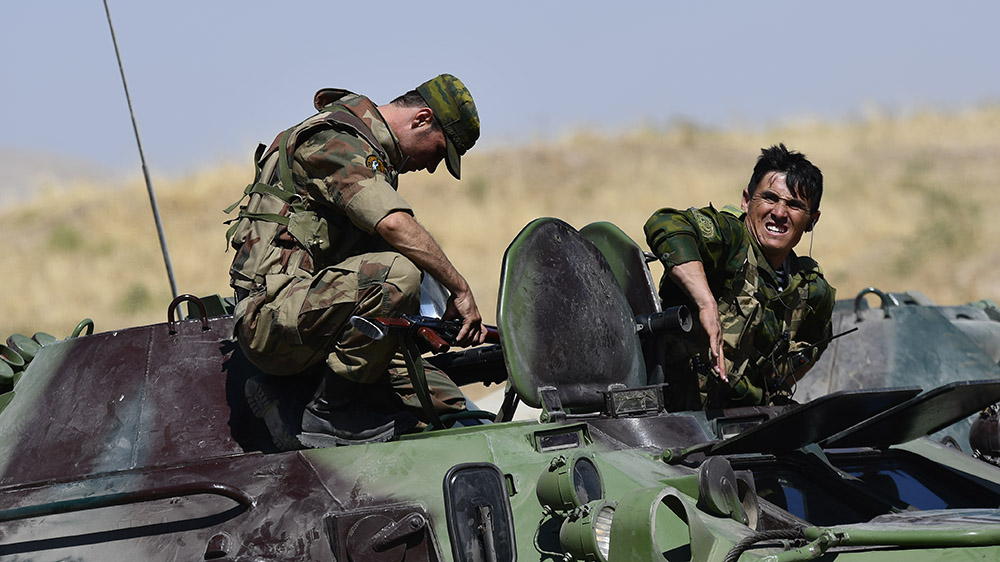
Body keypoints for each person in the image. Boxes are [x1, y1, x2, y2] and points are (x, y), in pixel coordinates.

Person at [225, 74, 487, 449]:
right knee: (398, 274)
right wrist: (459, 289)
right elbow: (393, 224)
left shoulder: (366, 153)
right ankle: (331, 413)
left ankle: (290, 396)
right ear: (422, 119)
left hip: (315, 315)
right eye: (439, 151)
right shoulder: (337, 141)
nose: (432, 167)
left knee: (442, 404)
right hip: (272, 317)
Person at [643, 144, 835, 410]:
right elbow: (666, 224)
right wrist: (706, 305)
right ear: (747, 200)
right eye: (770, 198)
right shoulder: (731, 240)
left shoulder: (811, 290)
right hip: (673, 416)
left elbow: (806, 353)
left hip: (746, 421)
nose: (779, 213)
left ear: (812, 220)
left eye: (794, 205)